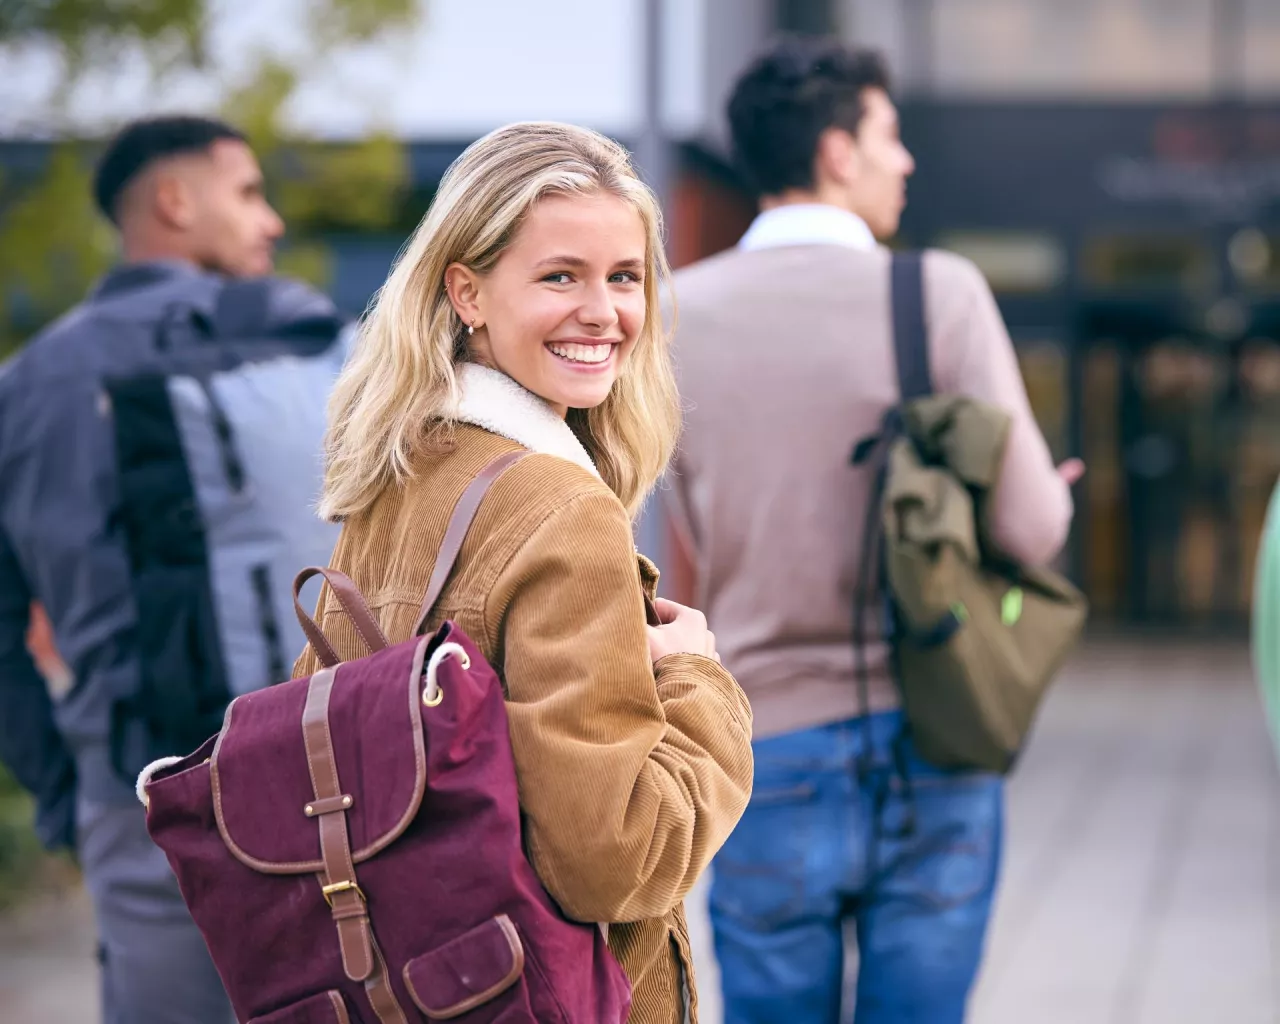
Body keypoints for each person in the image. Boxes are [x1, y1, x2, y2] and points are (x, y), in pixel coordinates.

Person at [293, 120, 754, 1024]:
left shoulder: (398, 471)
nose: (605, 311)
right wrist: (700, 682)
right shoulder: (562, 510)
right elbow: (612, 860)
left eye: (624, 277)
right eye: (560, 276)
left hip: (405, 980)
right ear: (467, 291)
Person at [665, 38, 1081, 1024]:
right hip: (929, 727)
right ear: (836, 151)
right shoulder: (934, 294)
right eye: (889, 136)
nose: (905, 162)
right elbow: (1029, 526)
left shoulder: (674, 315)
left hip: (758, 742)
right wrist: (1044, 494)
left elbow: (672, 527)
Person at [0, 116, 345, 1024]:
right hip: (336, 782)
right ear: (173, 201)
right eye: (247, 193)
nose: (269, 222)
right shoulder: (310, 347)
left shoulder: (28, 386)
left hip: (139, 794)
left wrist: (70, 796)